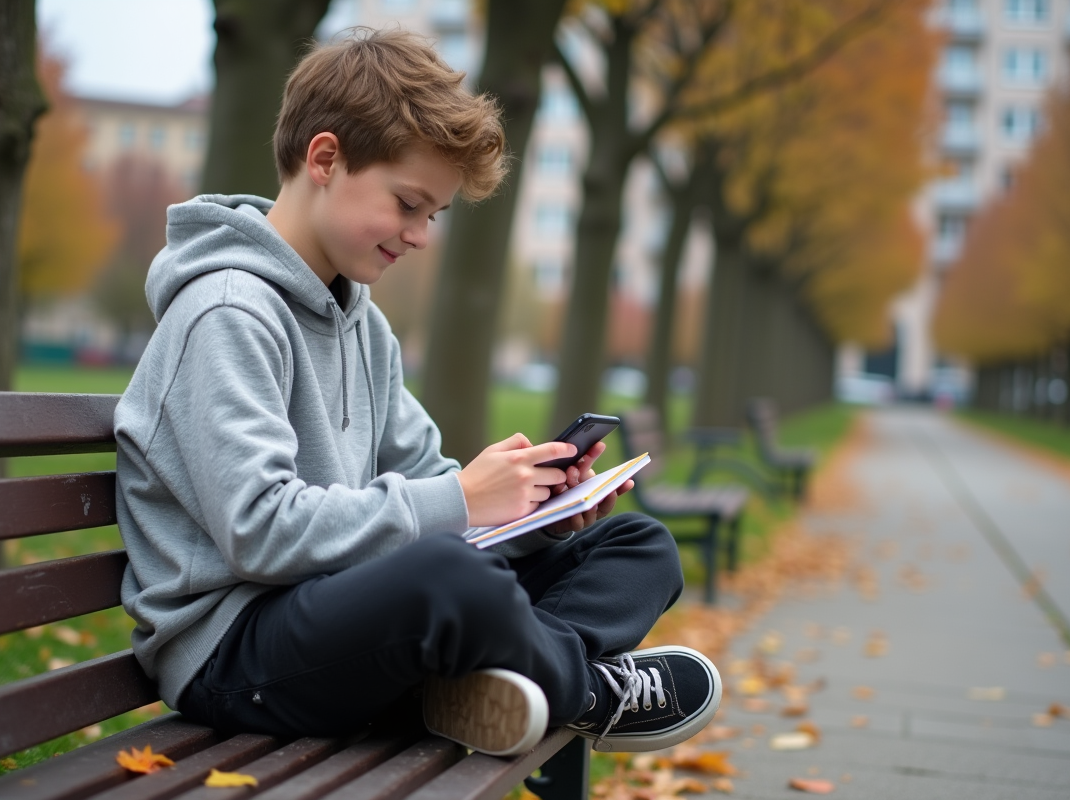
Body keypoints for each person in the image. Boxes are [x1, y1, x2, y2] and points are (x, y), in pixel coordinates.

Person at [114, 27, 721, 757]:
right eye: (408, 204)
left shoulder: (361, 324)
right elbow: (259, 533)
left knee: (635, 544)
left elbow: (428, 479)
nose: (421, 235)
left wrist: (536, 512)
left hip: (347, 616)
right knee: (446, 577)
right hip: (237, 651)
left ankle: (495, 682)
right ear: (326, 160)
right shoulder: (226, 312)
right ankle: (589, 690)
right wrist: (463, 499)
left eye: (432, 215)